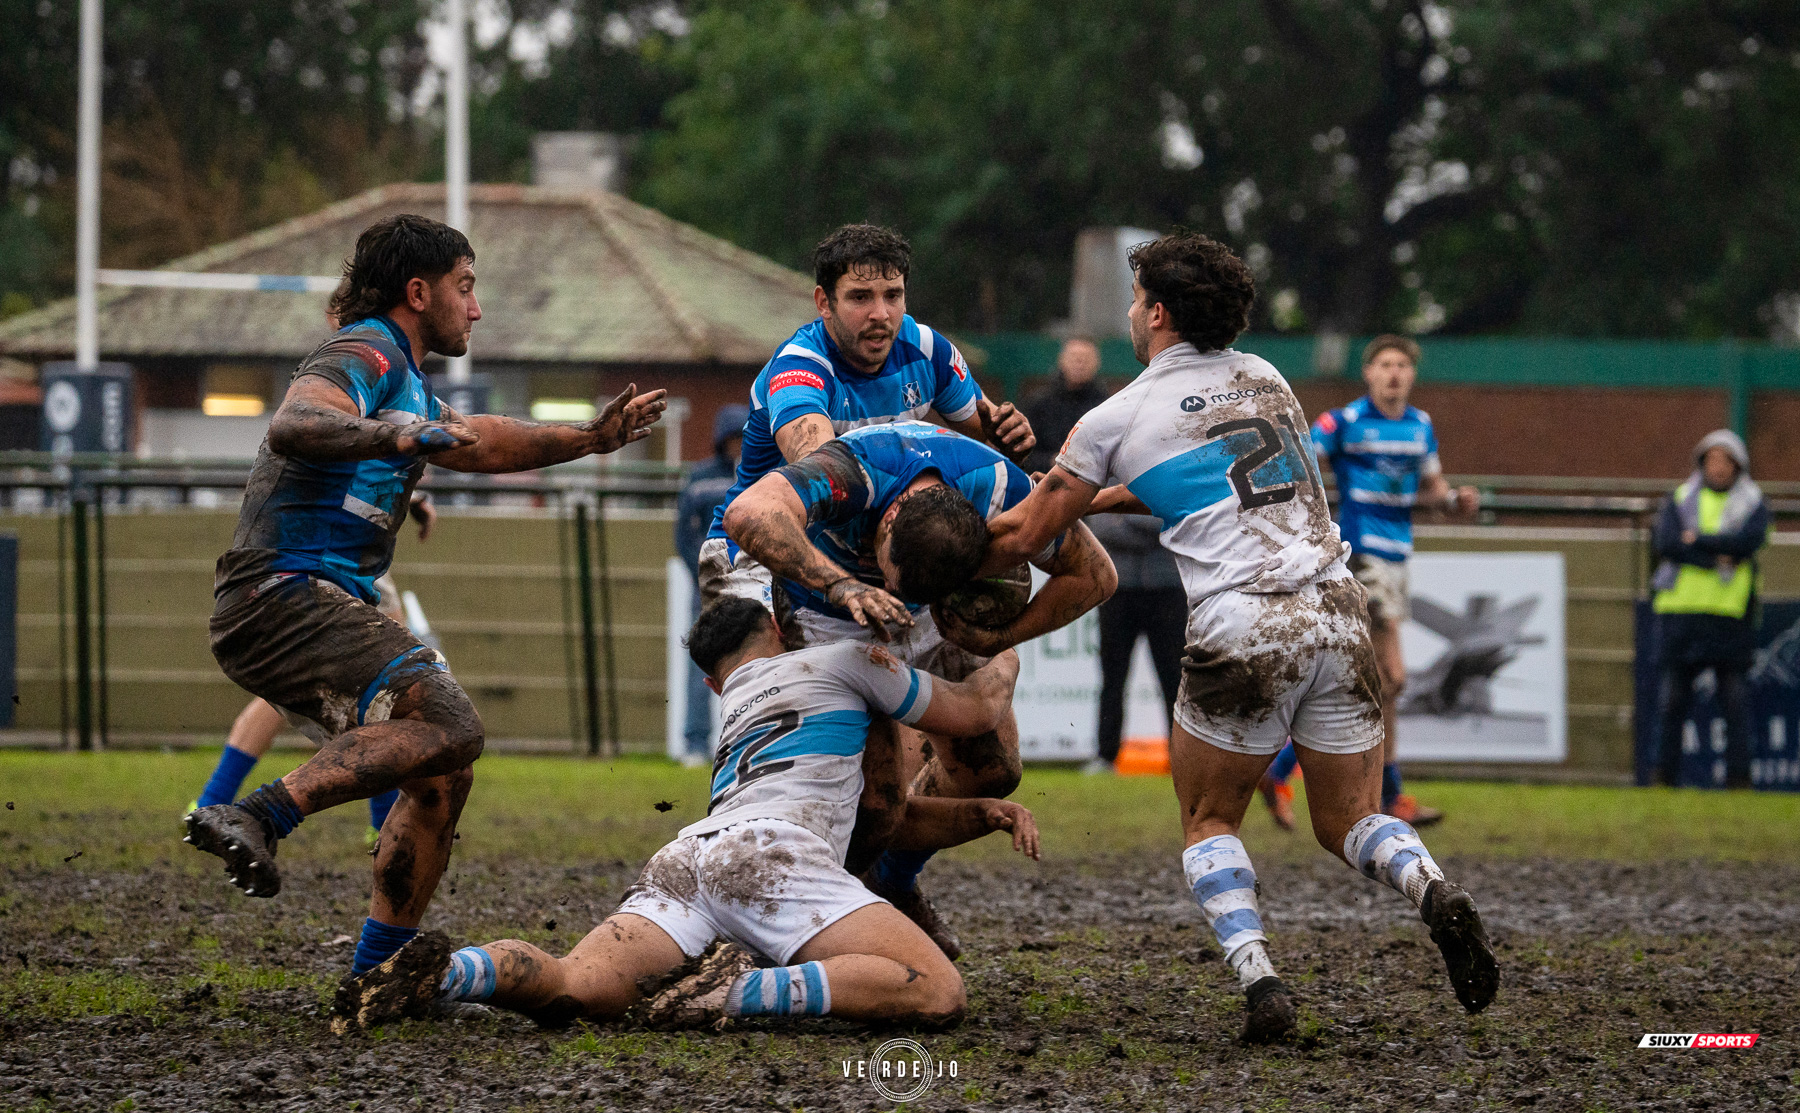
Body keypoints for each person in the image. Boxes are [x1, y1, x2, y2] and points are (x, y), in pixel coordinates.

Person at [970, 231, 1497, 1042]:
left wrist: (933, 557)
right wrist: (1099, 498)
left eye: (1137, 300)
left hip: (1242, 618)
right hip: (1335, 604)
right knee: (1351, 820)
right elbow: (1221, 482)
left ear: (1159, 314)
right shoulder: (1265, 378)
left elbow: (1023, 535)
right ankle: (1432, 887)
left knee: (1210, 819)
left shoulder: (1117, 414)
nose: (1133, 314)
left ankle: (1261, 982)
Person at [183, 214, 666, 994]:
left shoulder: (406, 379)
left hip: (305, 599)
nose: (476, 308)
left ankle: (376, 974)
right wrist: (394, 437)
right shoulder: (368, 349)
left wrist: (589, 438)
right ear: (418, 291)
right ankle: (259, 812)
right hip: (282, 592)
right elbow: (295, 421)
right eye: (464, 287)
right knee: (451, 721)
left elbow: (484, 439)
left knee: (443, 773)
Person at [331, 596, 1040, 1034]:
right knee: (936, 990)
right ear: (776, 625)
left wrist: (979, 812)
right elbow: (976, 709)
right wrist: (1005, 647)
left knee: (576, 983)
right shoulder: (843, 661)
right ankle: (738, 992)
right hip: (770, 858)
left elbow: (881, 814)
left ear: (711, 681)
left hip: (688, 857)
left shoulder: (737, 705)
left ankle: (450, 974)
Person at [723, 420, 1115, 958]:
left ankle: (894, 881)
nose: (894, 592)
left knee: (993, 770)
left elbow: (1095, 576)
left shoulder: (1001, 490)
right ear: (887, 522)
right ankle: (808, 921)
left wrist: (1002, 637)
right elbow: (746, 512)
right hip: (828, 612)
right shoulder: (854, 473)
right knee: (874, 806)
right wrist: (842, 584)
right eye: (892, 577)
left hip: (937, 615)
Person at [698, 223, 1035, 627]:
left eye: (893, 295)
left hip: (868, 549)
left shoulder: (928, 350)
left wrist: (1010, 438)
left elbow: (988, 438)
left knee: (988, 659)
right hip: (760, 544)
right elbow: (819, 471)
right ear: (824, 303)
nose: (881, 314)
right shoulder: (799, 369)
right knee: (766, 653)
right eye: (860, 297)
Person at [1275, 335, 1479, 829]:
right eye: (1385, 364)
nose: (1393, 373)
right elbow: (1298, 460)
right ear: (1368, 373)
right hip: (1361, 556)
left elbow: (1432, 489)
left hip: (1398, 558)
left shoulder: (1420, 426)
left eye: (1402, 365)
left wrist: (1455, 502)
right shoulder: (1344, 421)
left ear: (1412, 375)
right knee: (1393, 676)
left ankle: (1287, 773)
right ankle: (1385, 794)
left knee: (1373, 686)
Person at [188, 491, 439, 841]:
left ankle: (212, 800)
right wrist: (412, 496)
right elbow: (360, 463)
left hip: (304, 539)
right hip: (341, 540)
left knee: (302, 683)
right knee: (390, 679)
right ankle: (381, 822)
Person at [1651, 429, 1769, 789]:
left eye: (1725, 460)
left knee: (1735, 703)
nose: (1717, 467)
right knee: (1672, 702)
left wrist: (1698, 540)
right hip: (1681, 614)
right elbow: (1667, 543)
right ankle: (1663, 778)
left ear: (1738, 466)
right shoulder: (1680, 497)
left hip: (1729, 617)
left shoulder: (1753, 503)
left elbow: (1748, 542)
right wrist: (1716, 556)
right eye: (1712, 459)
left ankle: (1738, 780)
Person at [673, 404, 750, 766]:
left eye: (742, 438)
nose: (737, 446)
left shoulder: (761, 473)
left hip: (751, 584)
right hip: (706, 587)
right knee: (700, 662)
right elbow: (683, 534)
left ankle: (744, 740)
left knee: (751, 660)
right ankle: (695, 742)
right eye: (731, 439)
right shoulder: (700, 477)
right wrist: (703, 573)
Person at [1086, 512, 1185, 775]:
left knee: (1175, 681)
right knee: (1112, 679)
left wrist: (1125, 520)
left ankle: (1181, 757)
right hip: (1117, 590)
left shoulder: (1166, 478)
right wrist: (1153, 526)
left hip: (1167, 590)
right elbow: (1100, 525)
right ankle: (1106, 756)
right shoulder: (1106, 480)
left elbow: (1177, 520)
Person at [1019, 336, 1108, 475]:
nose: (1080, 363)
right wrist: (1053, 461)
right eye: (1074, 358)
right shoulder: (1038, 404)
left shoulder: (1106, 406)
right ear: (1061, 360)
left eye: (1086, 359)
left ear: (1097, 363)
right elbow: (1023, 454)